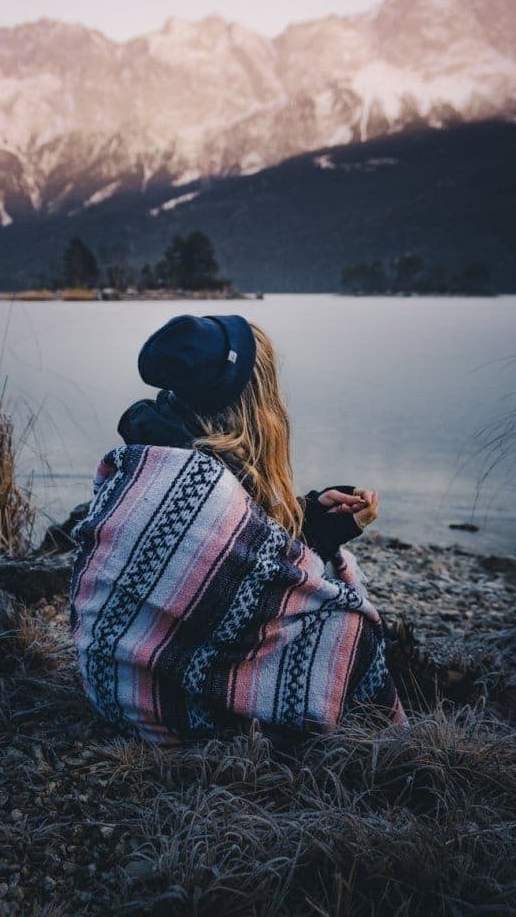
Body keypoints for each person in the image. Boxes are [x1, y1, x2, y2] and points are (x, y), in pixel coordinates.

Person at [69, 314, 405, 743]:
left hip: (107, 679)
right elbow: (253, 599)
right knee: (349, 626)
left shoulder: (150, 453)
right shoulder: (205, 483)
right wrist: (317, 542)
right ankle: (379, 736)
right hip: (153, 703)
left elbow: (234, 567)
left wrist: (311, 518)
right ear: (251, 397)